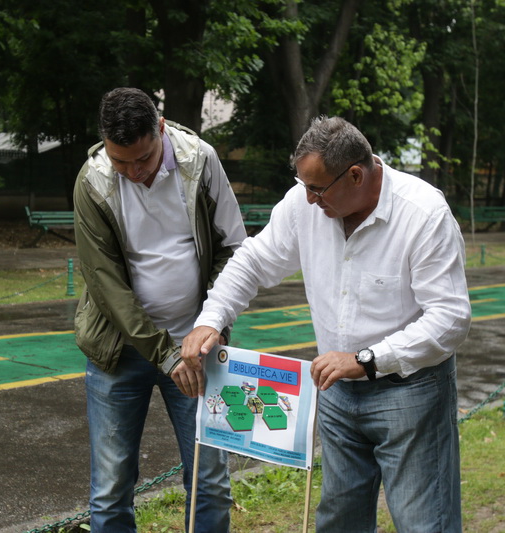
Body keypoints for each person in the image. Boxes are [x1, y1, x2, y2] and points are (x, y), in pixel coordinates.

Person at [180, 116, 471, 532]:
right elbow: (254, 260)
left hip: (411, 393)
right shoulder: (305, 202)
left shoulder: (422, 213)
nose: (310, 199)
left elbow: (449, 318)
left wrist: (367, 360)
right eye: (304, 186)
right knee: (339, 519)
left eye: (317, 188)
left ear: (355, 174)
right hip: (336, 391)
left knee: (424, 522)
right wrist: (212, 318)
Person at [73, 87, 245, 533]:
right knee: (110, 491)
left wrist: (214, 327)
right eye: (120, 161)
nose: (133, 172)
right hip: (119, 353)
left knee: (210, 481)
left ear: (162, 130)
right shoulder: (92, 181)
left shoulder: (201, 161)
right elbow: (105, 285)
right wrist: (165, 355)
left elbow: (233, 249)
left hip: (198, 349)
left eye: (144, 159)